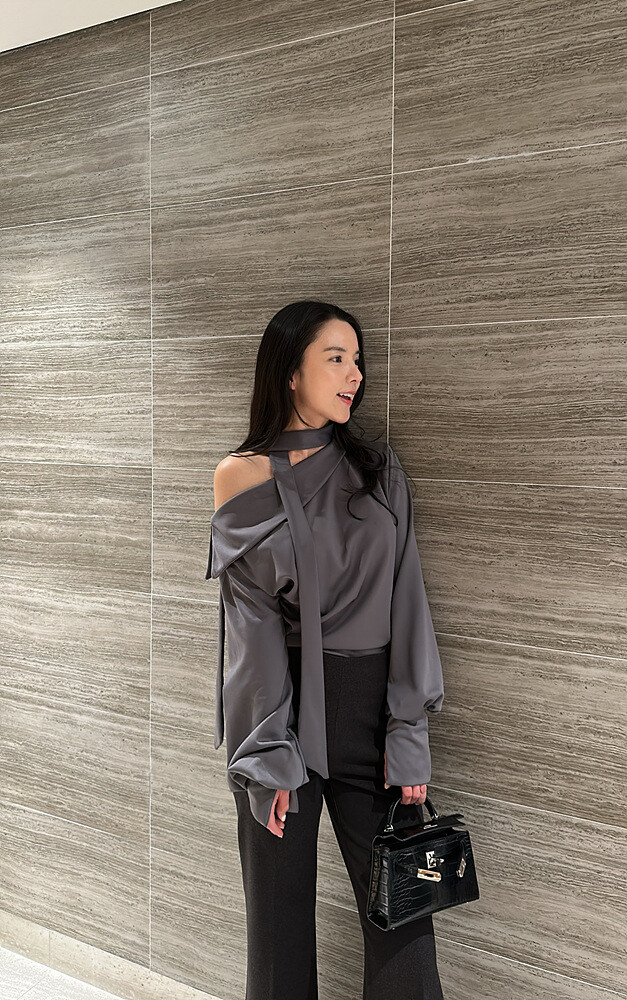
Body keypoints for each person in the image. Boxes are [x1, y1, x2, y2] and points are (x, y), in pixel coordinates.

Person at [206, 300, 445, 999]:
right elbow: (250, 628)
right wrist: (265, 752)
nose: (354, 374)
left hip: (372, 713)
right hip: (280, 712)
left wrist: (408, 732)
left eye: (356, 360)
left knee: (404, 921)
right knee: (277, 932)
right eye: (335, 358)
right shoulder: (241, 474)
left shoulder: (377, 469)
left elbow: (408, 601)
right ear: (289, 371)